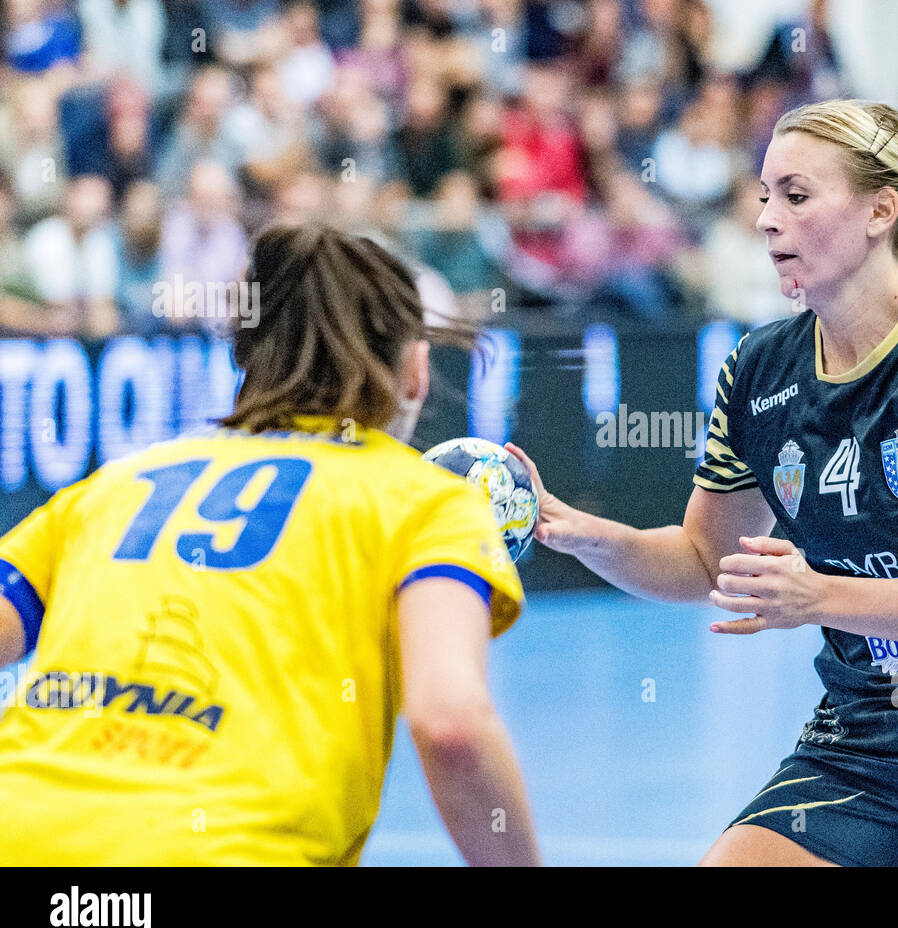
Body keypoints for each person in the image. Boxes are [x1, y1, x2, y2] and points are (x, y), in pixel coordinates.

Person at [508, 99, 898, 867]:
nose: (768, 219)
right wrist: (581, 533)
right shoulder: (761, 370)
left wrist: (823, 597)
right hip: (866, 736)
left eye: (796, 196)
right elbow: (706, 562)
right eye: (765, 194)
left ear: (880, 210)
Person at [0, 224, 541, 866]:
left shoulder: (110, 488)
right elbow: (451, 724)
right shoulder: (426, 501)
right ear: (416, 370)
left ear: (246, 357)